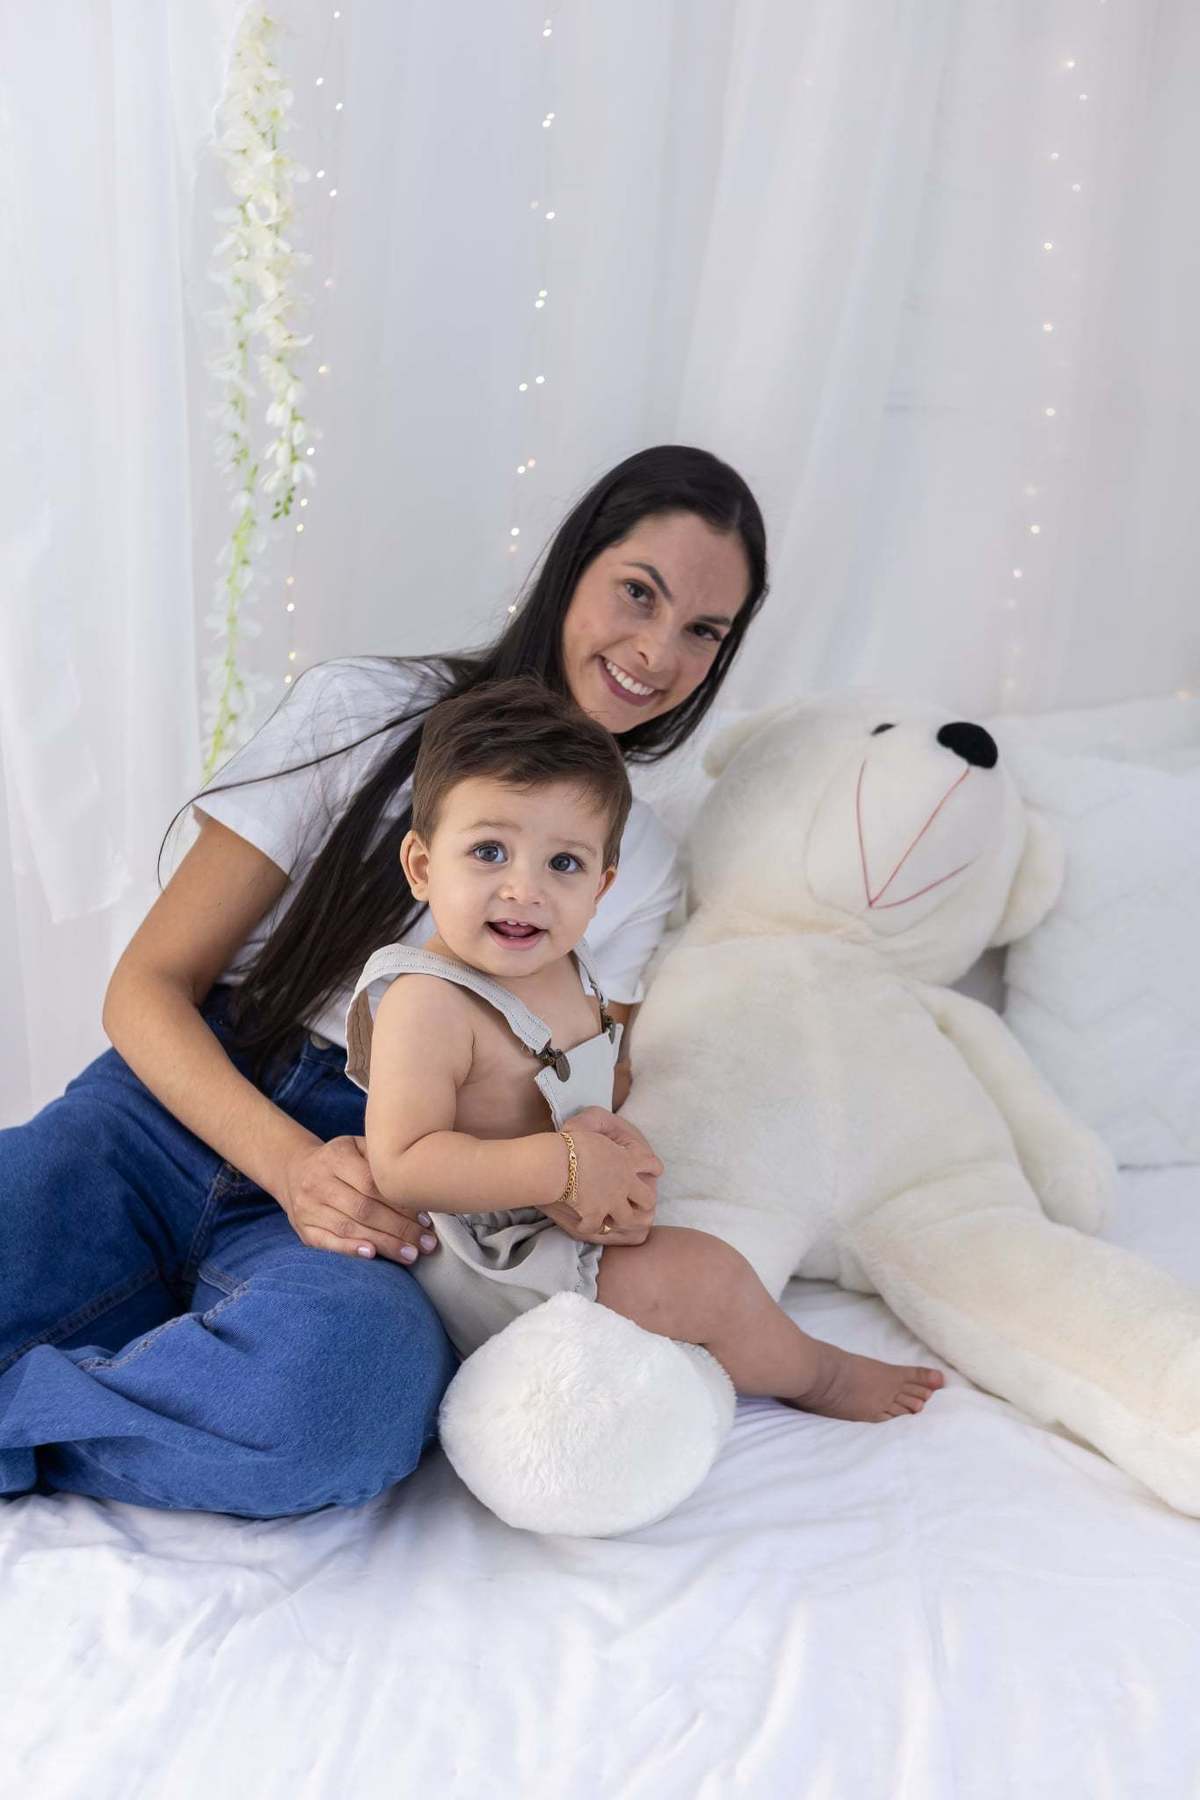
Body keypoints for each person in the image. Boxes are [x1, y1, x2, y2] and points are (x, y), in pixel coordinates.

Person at [0, 445, 770, 1517]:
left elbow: (584, 1095)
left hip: (398, 1192)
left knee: (335, 1409)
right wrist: (293, 1164)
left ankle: (34, 1418)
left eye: (703, 633)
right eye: (638, 593)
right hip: (182, 1105)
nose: (656, 651)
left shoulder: (637, 868)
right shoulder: (361, 710)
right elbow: (146, 987)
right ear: (573, 567)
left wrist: (579, 1176)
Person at [347, 678, 945, 1422]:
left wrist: (605, 1150)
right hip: (486, 1265)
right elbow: (403, 1166)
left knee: (713, 1230)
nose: (524, 889)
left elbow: (574, 1089)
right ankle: (815, 1374)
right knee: (712, 1277)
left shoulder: (564, 965)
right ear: (422, 866)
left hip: (556, 1215)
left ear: (601, 887)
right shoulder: (428, 1003)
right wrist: (562, 1168)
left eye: (561, 864)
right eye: (490, 851)